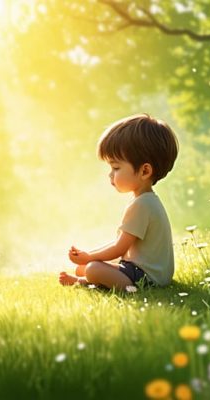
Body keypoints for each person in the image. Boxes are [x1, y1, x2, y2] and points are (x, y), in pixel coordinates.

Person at [59, 114, 179, 290]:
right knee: (83, 268)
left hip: (147, 278)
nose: (110, 175)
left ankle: (85, 282)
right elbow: (121, 247)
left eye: (116, 168)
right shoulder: (147, 200)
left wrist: (89, 258)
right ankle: (87, 276)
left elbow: (118, 249)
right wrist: (89, 255)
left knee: (92, 268)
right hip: (147, 270)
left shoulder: (141, 205)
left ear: (144, 171)